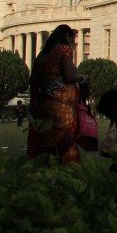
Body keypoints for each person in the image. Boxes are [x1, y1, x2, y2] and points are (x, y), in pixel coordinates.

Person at [27, 24, 83, 164]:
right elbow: (69, 76)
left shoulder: (43, 53)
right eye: (72, 38)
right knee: (64, 133)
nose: (72, 43)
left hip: (44, 100)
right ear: (67, 36)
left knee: (47, 133)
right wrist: (81, 78)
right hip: (61, 99)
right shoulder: (63, 49)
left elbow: (34, 78)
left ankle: (46, 162)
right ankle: (67, 161)